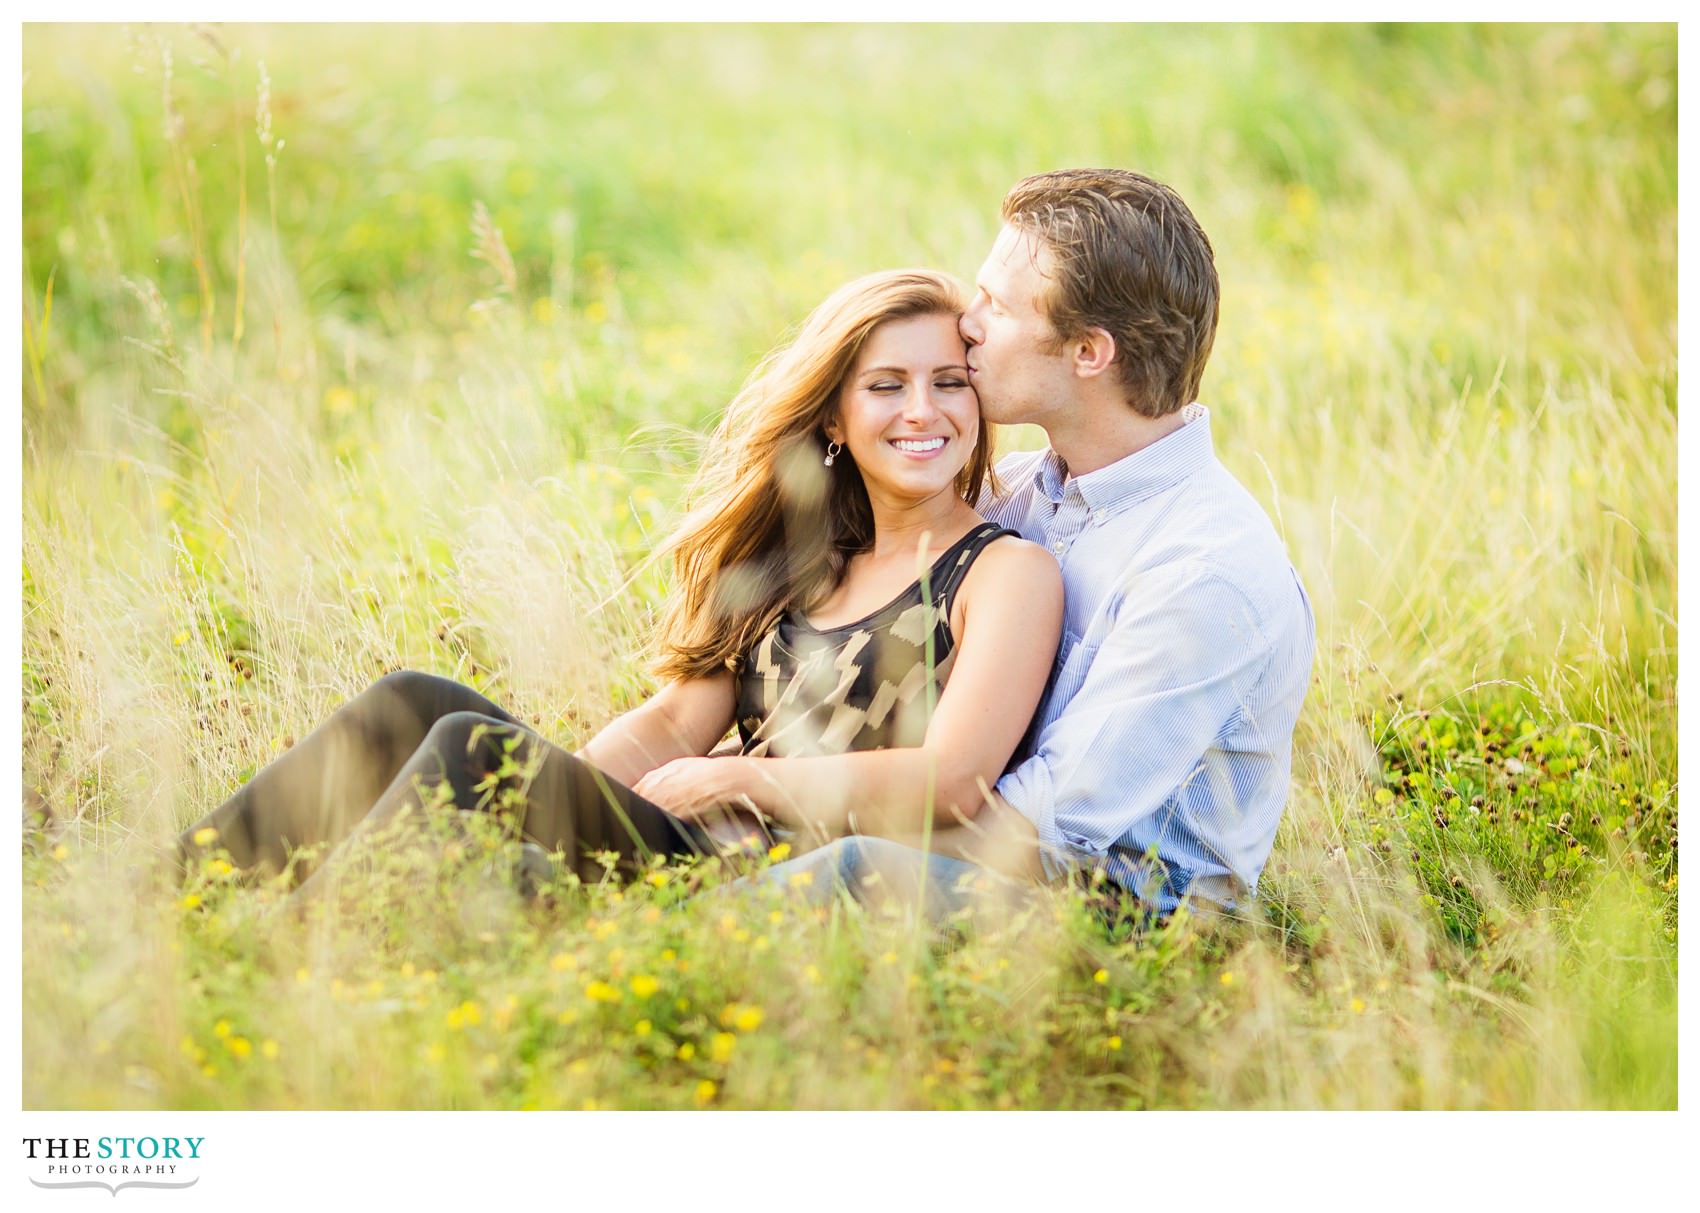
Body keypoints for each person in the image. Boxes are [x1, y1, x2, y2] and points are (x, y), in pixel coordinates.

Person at [174, 269, 1064, 904]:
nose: (923, 410)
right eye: (887, 385)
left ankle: (294, 959)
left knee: (470, 750)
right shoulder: (803, 559)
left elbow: (952, 781)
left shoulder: (1004, 572)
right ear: (834, 416)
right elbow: (678, 723)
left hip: (772, 875)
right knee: (420, 701)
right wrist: (560, 789)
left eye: (950, 382)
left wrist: (733, 786)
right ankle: (175, 899)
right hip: (686, 839)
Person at [707, 169, 1317, 920]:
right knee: (595, 805)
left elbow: (1038, 827)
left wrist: (762, 796)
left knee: (847, 868)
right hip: (948, 841)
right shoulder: (1020, 490)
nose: (967, 324)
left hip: (1120, 915)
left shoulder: (1205, 572)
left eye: (995, 306)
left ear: (1089, 352)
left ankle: (653, 934)